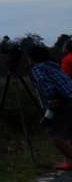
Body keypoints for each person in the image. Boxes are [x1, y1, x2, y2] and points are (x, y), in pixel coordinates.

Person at [27, 43, 72, 171]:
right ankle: (69, 162)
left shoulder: (38, 68)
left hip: (62, 101)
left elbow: (44, 84)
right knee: (68, 132)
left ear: (32, 58)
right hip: (69, 97)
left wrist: (52, 100)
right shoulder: (54, 66)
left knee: (55, 134)